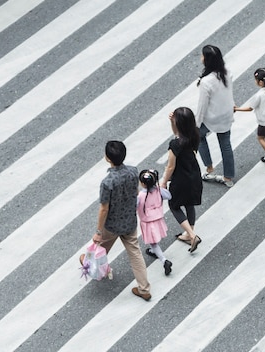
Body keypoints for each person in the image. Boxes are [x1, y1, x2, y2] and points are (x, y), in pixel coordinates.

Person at [81, 140, 152, 300]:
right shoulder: (134, 172)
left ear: (107, 158)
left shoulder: (107, 182)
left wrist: (98, 231)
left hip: (112, 225)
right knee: (135, 253)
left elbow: (104, 208)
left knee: (101, 247)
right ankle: (144, 288)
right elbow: (136, 192)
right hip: (129, 222)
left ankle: (89, 264)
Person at [161, 107, 203, 253]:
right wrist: (173, 122)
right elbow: (177, 132)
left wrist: (163, 182)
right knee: (189, 204)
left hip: (181, 179)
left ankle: (191, 235)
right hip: (194, 175)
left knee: (174, 205)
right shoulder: (195, 134)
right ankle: (189, 232)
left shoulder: (175, 145)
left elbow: (170, 166)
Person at [195, 44, 236, 188]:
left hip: (212, 118)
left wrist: (196, 124)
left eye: (202, 55)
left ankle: (209, 167)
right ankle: (228, 177)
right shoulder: (227, 73)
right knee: (225, 145)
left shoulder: (206, 82)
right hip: (226, 114)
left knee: (199, 136)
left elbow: (202, 106)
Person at [234, 67, 265, 169]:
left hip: (264, 122)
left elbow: (250, 108)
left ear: (260, 82)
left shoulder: (259, 95)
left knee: (260, 138)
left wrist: (237, 109)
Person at [137, 169, 172, 276]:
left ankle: (164, 260)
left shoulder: (140, 196)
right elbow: (169, 196)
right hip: (158, 219)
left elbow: (133, 206)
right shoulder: (158, 190)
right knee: (154, 240)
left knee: (153, 242)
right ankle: (153, 251)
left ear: (142, 183)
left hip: (148, 222)